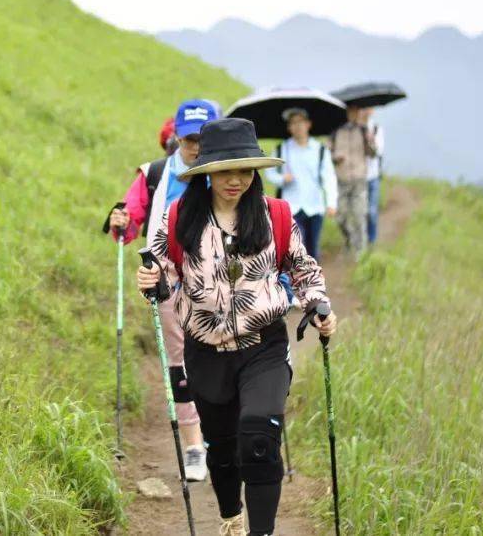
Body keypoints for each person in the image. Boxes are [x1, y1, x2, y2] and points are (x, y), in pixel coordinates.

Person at [137, 118, 337, 536]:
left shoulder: (275, 215)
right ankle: (231, 518)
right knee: (224, 452)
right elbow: (162, 270)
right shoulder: (180, 218)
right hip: (205, 350)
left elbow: (303, 269)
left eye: (245, 169)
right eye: (226, 170)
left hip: (262, 345)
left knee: (259, 437)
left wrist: (318, 304)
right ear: (207, 172)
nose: (236, 180)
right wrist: (152, 281)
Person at [105, 98, 220, 482]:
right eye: (189, 139)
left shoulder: (225, 174)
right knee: (179, 360)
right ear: (176, 137)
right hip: (166, 278)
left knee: (217, 356)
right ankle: (192, 445)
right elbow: (128, 220)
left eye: (204, 138)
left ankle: (216, 433)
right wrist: (120, 219)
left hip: (219, 280)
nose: (196, 147)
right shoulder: (155, 174)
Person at [265, 108, 338, 261]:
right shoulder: (281, 149)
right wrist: (282, 178)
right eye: (293, 123)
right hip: (292, 207)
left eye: (301, 122)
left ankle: (314, 282)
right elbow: (269, 173)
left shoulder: (320, 150)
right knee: (296, 249)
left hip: (315, 206)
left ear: (308, 124)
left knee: (313, 249)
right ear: (289, 127)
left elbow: (329, 177)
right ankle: (296, 282)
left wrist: (331, 203)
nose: (297, 126)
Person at [329, 105, 377, 256]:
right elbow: (326, 154)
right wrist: (335, 158)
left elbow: (373, 154)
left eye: (357, 111)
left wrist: (370, 142)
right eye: (351, 111)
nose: (354, 114)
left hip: (359, 180)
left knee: (359, 215)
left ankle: (361, 253)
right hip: (341, 180)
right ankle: (350, 239)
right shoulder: (336, 132)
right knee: (341, 217)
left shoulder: (363, 131)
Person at [362, 108, 385, 245]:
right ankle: (363, 240)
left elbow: (379, 151)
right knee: (361, 212)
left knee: (371, 211)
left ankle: (372, 239)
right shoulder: (355, 128)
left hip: (373, 176)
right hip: (359, 177)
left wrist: (371, 140)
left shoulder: (376, 128)